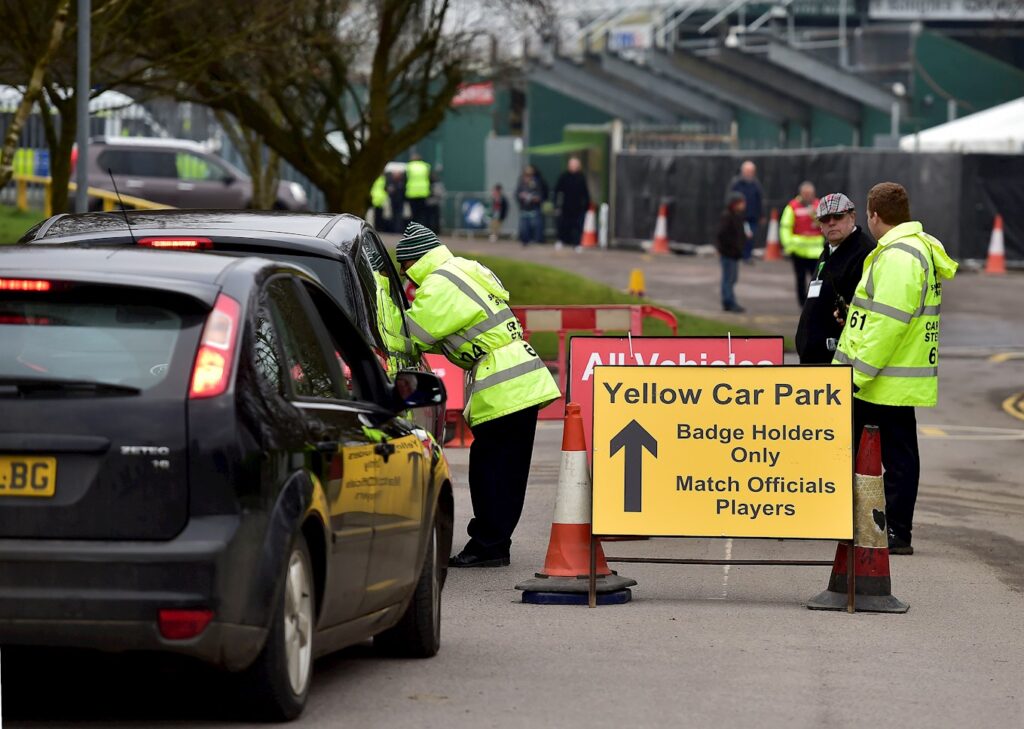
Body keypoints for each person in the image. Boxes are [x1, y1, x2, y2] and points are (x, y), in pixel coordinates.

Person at [395, 222, 561, 567]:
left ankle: (486, 545)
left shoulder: (438, 285)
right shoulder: (465, 268)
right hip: (522, 376)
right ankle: (496, 543)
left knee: (489, 469)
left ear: (415, 261)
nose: (405, 276)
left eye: (405, 267)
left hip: (502, 383)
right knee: (509, 470)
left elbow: (409, 336)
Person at [832, 182, 958, 555]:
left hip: (881, 377)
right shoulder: (909, 250)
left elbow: (889, 323)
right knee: (895, 456)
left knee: (895, 459)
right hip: (890, 375)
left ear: (873, 215)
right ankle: (880, 526)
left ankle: (895, 532)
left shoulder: (900, 256)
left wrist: (857, 374)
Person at [795, 193, 875, 364]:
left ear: (852, 217)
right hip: (813, 358)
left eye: (838, 216)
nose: (831, 222)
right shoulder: (829, 251)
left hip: (838, 360)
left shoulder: (865, 252)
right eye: (824, 219)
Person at [780, 181, 825, 306]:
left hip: (816, 252)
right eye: (805, 193)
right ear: (800, 193)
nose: (808, 196)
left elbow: (825, 225)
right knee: (800, 279)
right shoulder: (792, 207)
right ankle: (802, 303)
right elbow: (785, 227)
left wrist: (816, 218)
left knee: (816, 279)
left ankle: (814, 302)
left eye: (810, 194)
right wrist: (789, 246)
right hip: (798, 251)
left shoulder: (819, 205)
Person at [726, 160, 763, 263]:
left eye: (751, 171)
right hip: (738, 216)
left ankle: (747, 256)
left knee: (750, 236)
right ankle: (738, 254)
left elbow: (759, 200)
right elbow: (730, 199)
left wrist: (761, 214)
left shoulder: (756, 184)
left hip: (752, 216)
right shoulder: (736, 183)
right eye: (747, 171)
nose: (749, 173)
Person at [716, 192, 747, 313]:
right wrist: (729, 248)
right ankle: (729, 301)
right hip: (728, 254)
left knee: (732, 278)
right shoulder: (728, 216)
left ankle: (729, 301)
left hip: (734, 254)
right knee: (728, 279)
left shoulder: (737, 216)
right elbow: (722, 234)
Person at [553, 157, 591, 248]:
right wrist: (556, 204)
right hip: (565, 206)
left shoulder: (581, 178)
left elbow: (585, 193)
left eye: (574, 165)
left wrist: (586, 205)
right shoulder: (564, 176)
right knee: (563, 225)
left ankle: (577, 243)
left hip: (577, 207)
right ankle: (561, 240)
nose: (572, 167)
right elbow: (557, 191)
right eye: (571, 165)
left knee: (577, 226)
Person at [515, 167, 545, 246]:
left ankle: (537, 241)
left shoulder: (536, 183)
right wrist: (521, 196)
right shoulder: (521, 183)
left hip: (534, 209)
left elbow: (540, 196)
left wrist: (534, 198)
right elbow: (517, 194)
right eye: (526, 175)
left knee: (536, 226)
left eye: (529, 175)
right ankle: (525, 241)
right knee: (524, 228)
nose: (527, 177)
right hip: (524, 209)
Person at [405, 152, 431, 226]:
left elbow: (405, 179)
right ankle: (422, 228)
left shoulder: (409, 166)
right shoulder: (426, 166)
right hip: (423, 192)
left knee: (414, 213)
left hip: (412, 193)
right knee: (422, 213)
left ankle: (414, 228)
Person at [385, 169, 406, 233]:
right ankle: (393, 229)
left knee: (399, 216)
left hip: (400, 201)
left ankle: (398, 229)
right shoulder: (390, 182)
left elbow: (404, 191)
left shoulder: (402, 182)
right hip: (393, 201)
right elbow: (386, 189)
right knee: (393, 216)